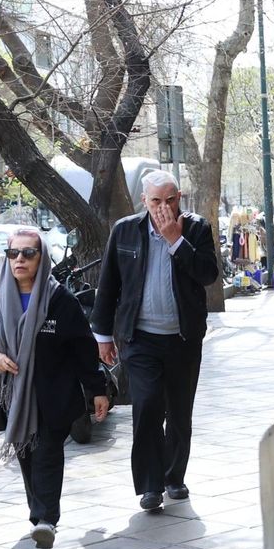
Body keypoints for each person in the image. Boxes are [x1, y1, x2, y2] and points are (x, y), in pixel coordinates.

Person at [0, 230, 109, 549]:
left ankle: (46, 519)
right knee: (27, 457)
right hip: (12, 398)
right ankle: (39, 517)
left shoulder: (60, 300)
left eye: (28, 253)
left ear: (41, 259)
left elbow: (83, 349)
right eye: (13, 253)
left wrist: (97, 389)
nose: (19, 259)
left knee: (46, 453)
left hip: (54, 396)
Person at [91, 169, 220, 512]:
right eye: (156, 201)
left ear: (180, 198)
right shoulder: (125, 230)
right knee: (147, 405)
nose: (164, 207)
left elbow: (208, 274)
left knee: (179, 411)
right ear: (144, 201)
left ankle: (173, 477)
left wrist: (176, 240)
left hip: (183, 337)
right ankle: (150, 485)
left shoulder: (196, 228)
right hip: (139, 338)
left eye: (170, 200)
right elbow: (109, 284)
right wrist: (103, 336)